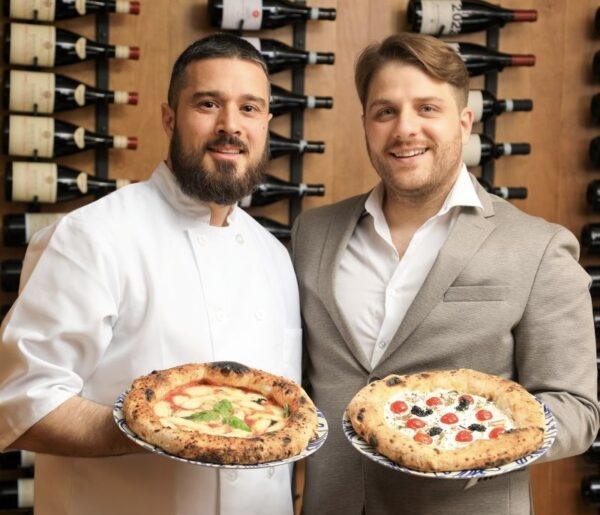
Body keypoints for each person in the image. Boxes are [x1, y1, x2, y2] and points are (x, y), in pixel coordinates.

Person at [291, 32, 600, 515]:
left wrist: (469, 443)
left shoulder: (538, 247)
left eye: (427, 108)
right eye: (385, 111)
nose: (404, 129)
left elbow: (577, 410)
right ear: (366, 123)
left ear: (464, 121)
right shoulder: (313, 234)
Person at [0, 33, 303, 515]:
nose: (230, 126)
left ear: (266, 124)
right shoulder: (91, 237)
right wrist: (163, 429)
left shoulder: (274, 256)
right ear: (170, 118)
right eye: (208, 104)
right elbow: (20, 403)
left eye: (249, 108)